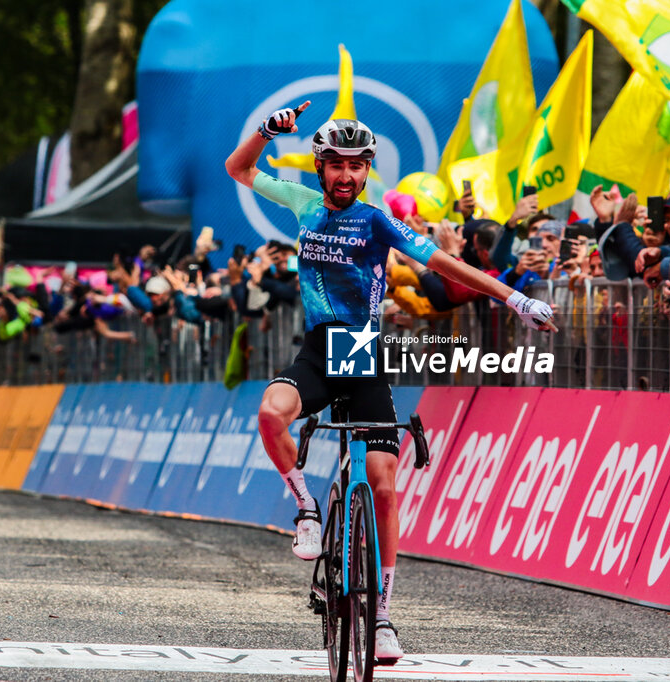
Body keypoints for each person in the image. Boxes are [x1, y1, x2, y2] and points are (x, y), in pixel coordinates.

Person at [225, 102, 554, 663]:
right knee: (269, 411)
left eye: (358, 166)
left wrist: (512, 296)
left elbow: (443, 266)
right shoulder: (302, 203)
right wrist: (264, 131)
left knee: (382, 481)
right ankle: (305, 509)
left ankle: (381, 617)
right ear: (321, 167)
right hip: (318, 349)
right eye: (337, 165)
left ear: (366, 169)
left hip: (360, 350)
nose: (348, 176)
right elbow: (240, 170)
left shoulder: (377, 219)